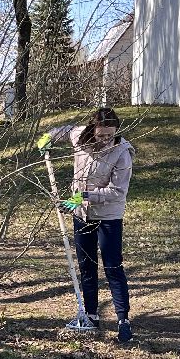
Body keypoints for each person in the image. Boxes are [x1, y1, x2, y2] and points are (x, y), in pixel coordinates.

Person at [38, 107, 136, 343]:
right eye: (101, 135)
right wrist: (48, 137)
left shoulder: (122, 152)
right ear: (93, 129)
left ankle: (123, 320)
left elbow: (117, 190)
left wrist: (82, 196)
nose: (105, 140)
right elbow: (64, 131)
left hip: (109, 215)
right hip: (82, 213)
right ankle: (91, 315)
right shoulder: (79, 137)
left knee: (113, 266)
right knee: (87, 265)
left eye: (110, 135)